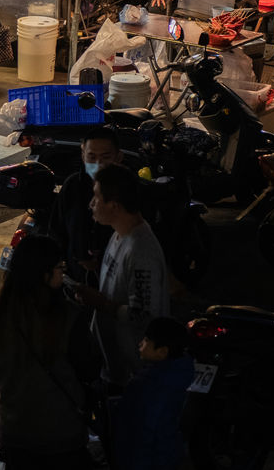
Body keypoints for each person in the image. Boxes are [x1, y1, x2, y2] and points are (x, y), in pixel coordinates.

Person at [0, 234, 87, 469]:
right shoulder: (68, 317)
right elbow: (88, 369)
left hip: (14, 429)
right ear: (44, 274)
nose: (63, 274)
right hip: (60, 433)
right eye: (60, 268)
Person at [73, 164, 170, 387]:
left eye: (96, 198)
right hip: (112, 366)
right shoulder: (119, 235)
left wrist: (101, 303)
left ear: (114, 205)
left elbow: (144, 314)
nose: (91, 204)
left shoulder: (141, 250)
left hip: (132, 375)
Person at [110, 317, 195, 470]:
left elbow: (146, 431)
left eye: (146, 340)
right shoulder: (175, 375)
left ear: (162, 352)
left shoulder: (152, 384)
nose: (140, 343)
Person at [46, 130, 122, 284]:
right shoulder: (72, 186)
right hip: (76, 279)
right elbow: (57, 231)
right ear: (83, 156)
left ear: (119, 157)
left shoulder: (128, 189)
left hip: (116, 281)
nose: (98, 163)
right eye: (92, 157)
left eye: (105, 157)